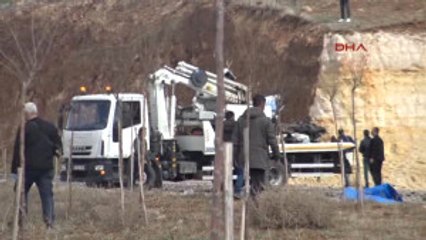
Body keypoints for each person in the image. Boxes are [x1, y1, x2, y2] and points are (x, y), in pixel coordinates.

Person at [11, 102, 61, 228]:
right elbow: (59, 147)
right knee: (47, 196)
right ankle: (49, 221)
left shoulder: (24, 129)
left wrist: (15, 170)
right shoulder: (50, 127)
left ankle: (21, 221)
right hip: (46, 168)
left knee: (21, 194)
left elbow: (18, 150)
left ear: (26, 114)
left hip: (27, 168)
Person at [233, 94, 280, 197]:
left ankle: (251, 200)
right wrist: (277, 154)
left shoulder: (241, 120)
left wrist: (234, 158)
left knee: (251, 181)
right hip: (260, 158)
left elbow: (235, 141)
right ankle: (255, 203)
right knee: (258, 183)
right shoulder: (266, 122)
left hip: (244, 157)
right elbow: (272, 140)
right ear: (262, 104)